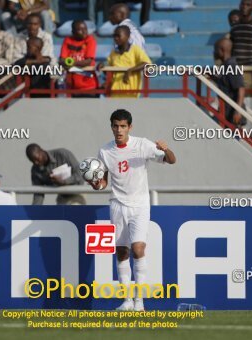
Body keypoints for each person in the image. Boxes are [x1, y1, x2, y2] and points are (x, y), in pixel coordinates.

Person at [89, 109, 176, 311]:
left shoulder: (142, 145)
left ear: (130, 127)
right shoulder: (104, 151)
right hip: (117, 205)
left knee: (138, 248)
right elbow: (102, 183)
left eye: (123, 126)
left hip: (140, 204)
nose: (119, 130)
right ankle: (127, 301)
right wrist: (95, 184)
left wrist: (167, 149)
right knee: (121, 252)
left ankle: (139, 302)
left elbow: (171, 160)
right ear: (111, 127)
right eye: (115, 126)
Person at [101, 25, 151, 98]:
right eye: (114, 36)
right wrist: (102, 66)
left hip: (131, 93)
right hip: (115, 93)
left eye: (118, 36)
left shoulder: (135, 50)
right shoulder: (113, 52)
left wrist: (130, 70)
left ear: (128, 36)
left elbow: (147, 64)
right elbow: (108, 69)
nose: (116, 38)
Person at [59, 20, 99, 97]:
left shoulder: (90, 40)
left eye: (85, 29)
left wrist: (71, 64)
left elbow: (88, 62)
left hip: (89, 85)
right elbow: (61, 60)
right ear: (73, 32)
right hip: (72, 85)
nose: (84, 32)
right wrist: (71, 63)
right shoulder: (68, 40)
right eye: (80, 30)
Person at [213, 38, 247, 127]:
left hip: (232, 117)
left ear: (222, 50)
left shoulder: (231, 66)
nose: (214, 53)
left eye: (216, 50)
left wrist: (238, 111)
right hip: (226, 113)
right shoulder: (225, 66)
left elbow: (241, 88)